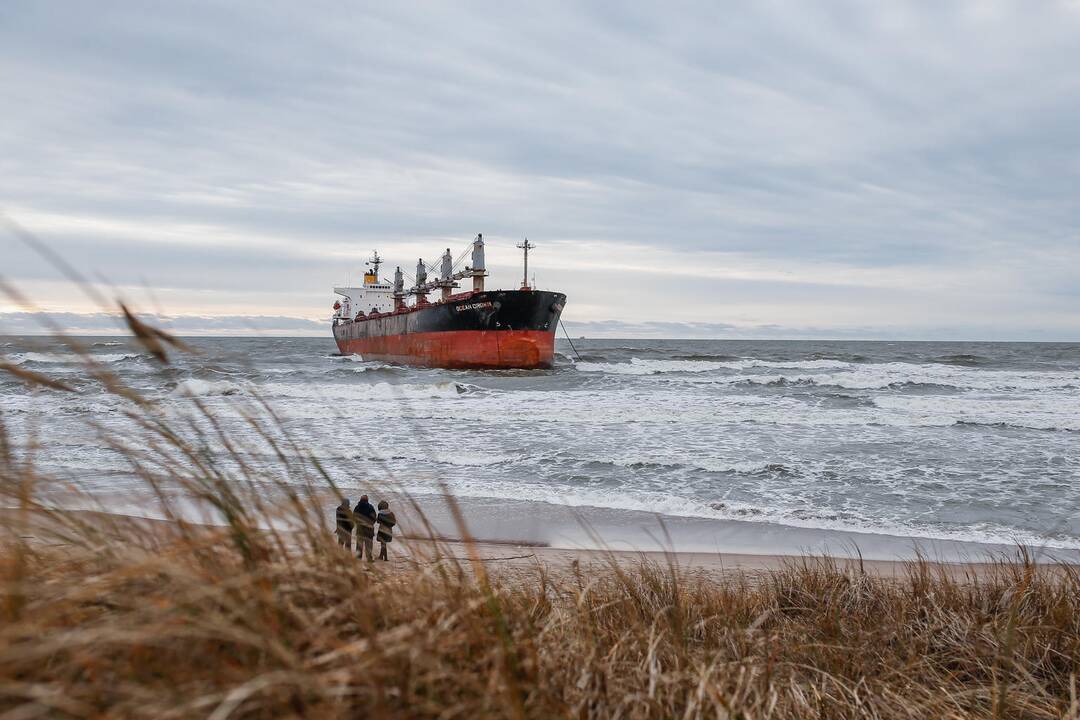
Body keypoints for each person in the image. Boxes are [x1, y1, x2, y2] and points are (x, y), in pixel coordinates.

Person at [353, 495, 377, 561]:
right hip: (369, 529)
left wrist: (358, 523)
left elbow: (354, 517)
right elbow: (374, 517)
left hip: (360, 529)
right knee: (368, 545)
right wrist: (370, 524)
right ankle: (369, 558)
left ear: (360, 499)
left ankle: (358, 557)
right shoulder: (371, 507)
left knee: (359, 545)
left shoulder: (357, 507)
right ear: (367, 500)